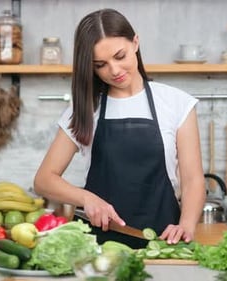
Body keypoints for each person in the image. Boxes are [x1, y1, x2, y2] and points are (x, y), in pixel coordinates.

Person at [34, 8, 206, 249]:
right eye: (100, 65)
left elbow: (193, 180)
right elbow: (43, 180)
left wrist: (186, 225)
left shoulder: (177, 103)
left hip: (163, 245)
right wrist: (87, 198)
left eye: (120, 56)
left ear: (135, 43)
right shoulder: (85, 109)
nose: (114, 71)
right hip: (96, 248)